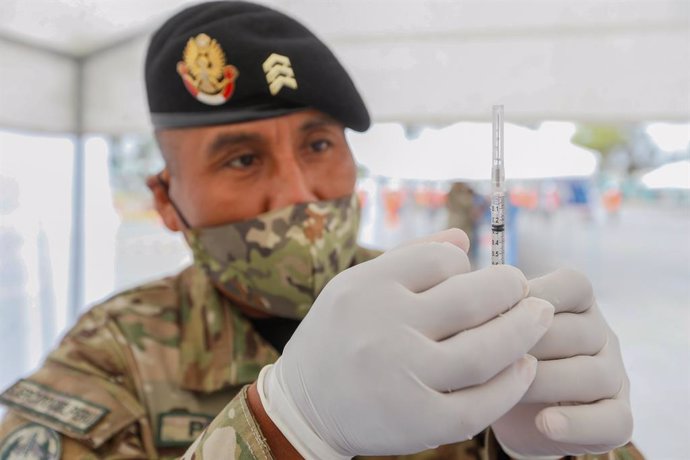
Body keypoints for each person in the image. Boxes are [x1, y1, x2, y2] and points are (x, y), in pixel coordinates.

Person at [0, 2, 640, 459]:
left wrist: (558, 450)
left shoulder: (450, 314)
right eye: (243, 159)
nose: (300, 195)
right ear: (167, 203)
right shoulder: (110, 358)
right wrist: (284, 431)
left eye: (318, 144)